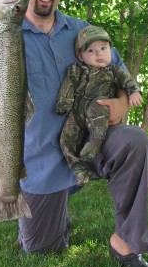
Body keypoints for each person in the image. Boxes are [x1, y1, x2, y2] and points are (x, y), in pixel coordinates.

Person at [0, 0, 148, 267]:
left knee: (135, 141)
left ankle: (126, 242)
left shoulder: (83, 31)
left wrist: (122, 102)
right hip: (41, 165)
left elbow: (121, 73)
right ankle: (54, 216)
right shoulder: (1, 34)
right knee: (43, 249)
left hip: (89, 146)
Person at [56, 25, 143, 186]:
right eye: (91, 50)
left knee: (98, 108)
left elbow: (127, 80)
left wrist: (134, 92)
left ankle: (95, 141)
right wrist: (64, 101)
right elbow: (68, 86)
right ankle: (78, 166)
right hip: (77, 113)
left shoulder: (114, 71)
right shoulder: (76, 70)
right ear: (80, 56)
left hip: (99, 109)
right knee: (65, 139)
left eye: (103, 48)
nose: (98, 53)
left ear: (110, 50)